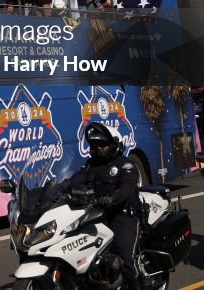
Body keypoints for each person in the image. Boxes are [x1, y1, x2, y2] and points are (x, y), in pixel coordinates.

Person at [61, 123, 140, 288]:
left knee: (124, 255)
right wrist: (58, 188)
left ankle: (136, 284)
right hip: (96, 215)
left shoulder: (125, 165)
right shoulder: (91, 165)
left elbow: (127, 187)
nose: (98, 148)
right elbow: (75, 179)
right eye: (94, 145)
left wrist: (113, 198)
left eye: (102, 144)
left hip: (122, 214)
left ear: (114, 144)